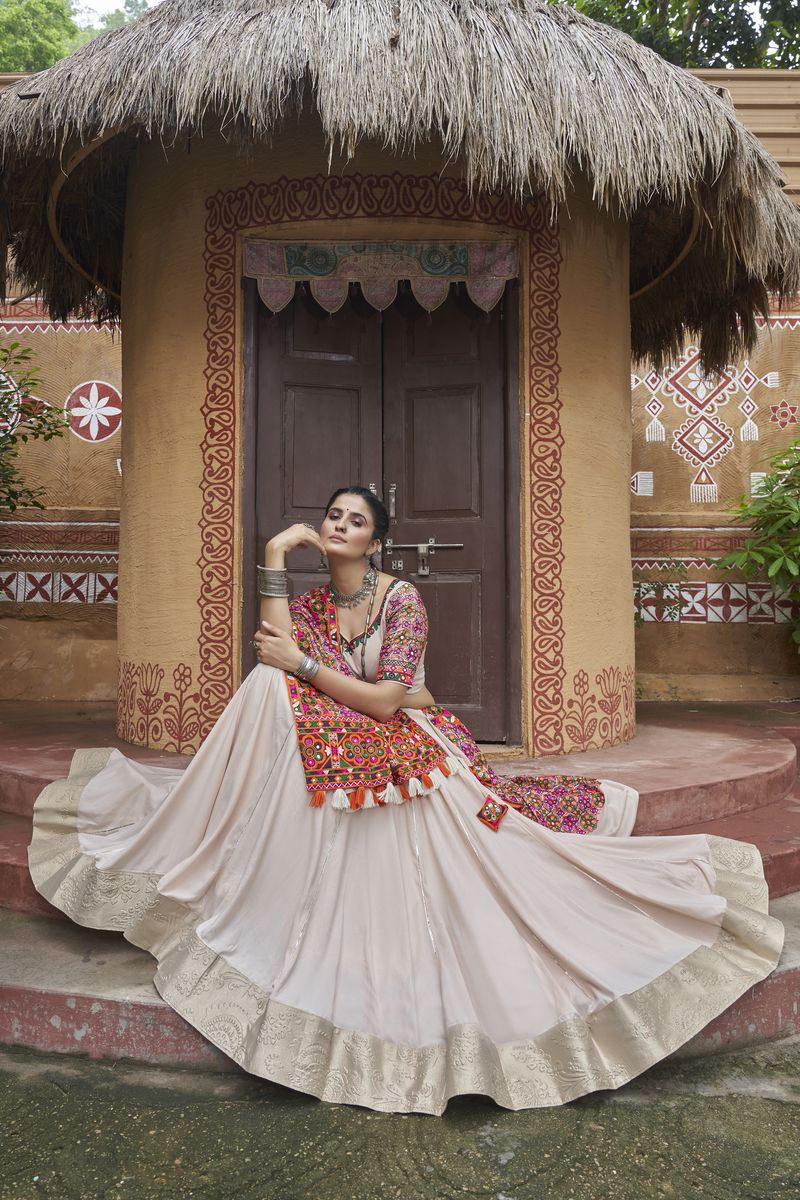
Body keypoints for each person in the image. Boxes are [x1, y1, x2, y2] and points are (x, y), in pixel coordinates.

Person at [29, 486, 783, 1116]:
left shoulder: (404, 599)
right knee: (267, 682)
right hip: (338, 724)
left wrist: (312, 673)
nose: (338, 526)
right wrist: (272, 561)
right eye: (332, 517)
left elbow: (393, 702)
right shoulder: (319, 605)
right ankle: (249, 843)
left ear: (377, 542)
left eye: (355, 521)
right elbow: (279, 656)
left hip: (409, 733)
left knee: (298, 693)